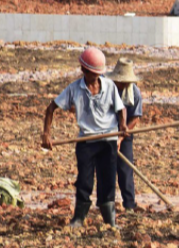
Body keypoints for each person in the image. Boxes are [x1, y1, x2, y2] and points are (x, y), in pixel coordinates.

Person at [41, 47, 127, 228]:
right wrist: (46, 134)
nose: (95, 79)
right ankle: (79, 219)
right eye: (92, 75)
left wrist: (123, 126)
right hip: (86, 141)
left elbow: (121, 109)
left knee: (108, 180)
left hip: (108, 139)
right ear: (83, 70)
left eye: (98, 75)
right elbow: (51, 109)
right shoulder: (74, 89)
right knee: (85, 180)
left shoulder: (110, 86)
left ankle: (110, 221)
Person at [107, 58, 143, 212]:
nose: (122, 84)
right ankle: (106, 204)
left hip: (125, 131)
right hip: (107, 131)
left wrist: (121, 137)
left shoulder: (134, 92)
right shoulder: (106, 89)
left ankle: (129, 205)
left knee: (125, 169)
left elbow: (135, 118)